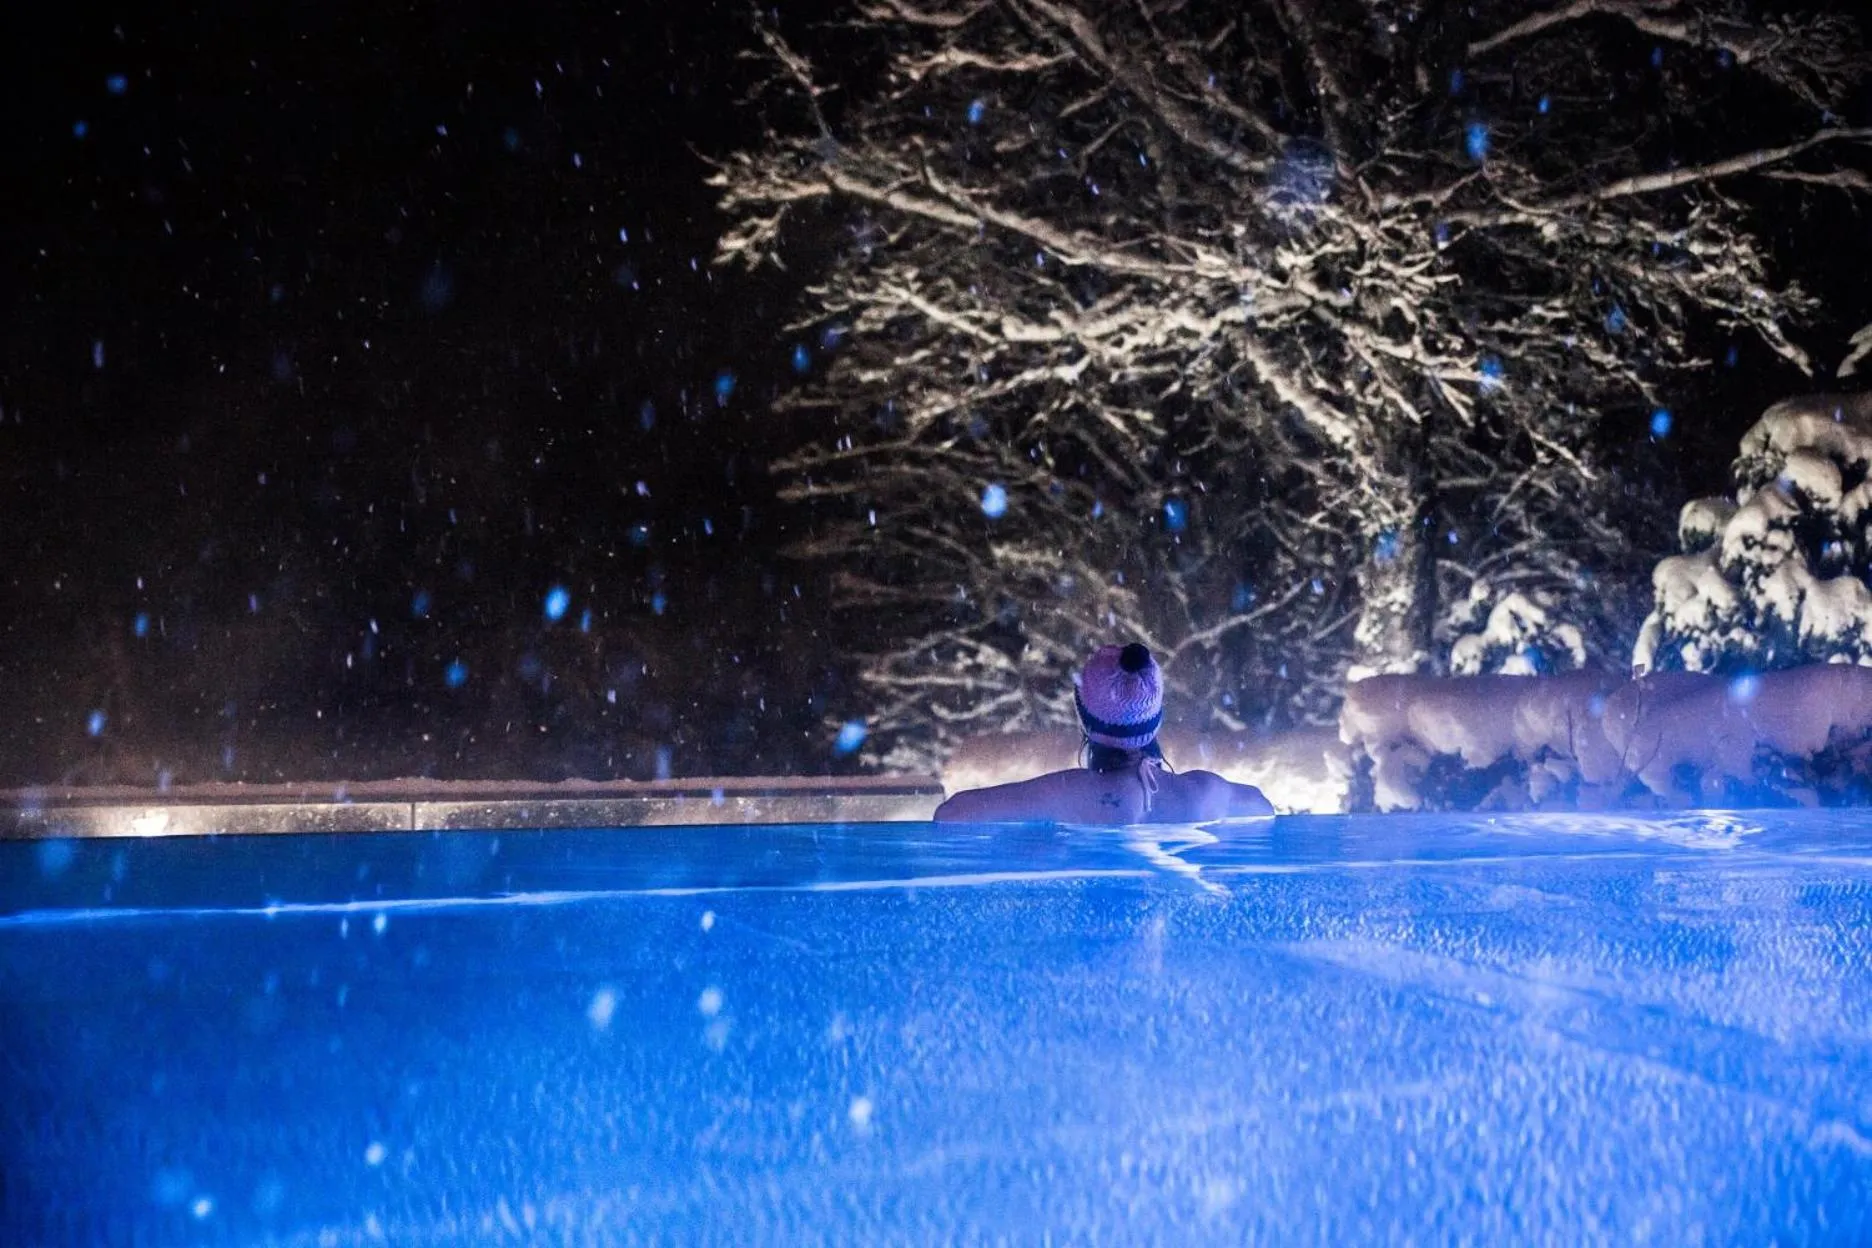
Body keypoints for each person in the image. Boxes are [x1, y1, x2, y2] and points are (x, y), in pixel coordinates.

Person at [933, 642, 1275, 825]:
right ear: (1156, 719)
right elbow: (1263, 807)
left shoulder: (1066, 793)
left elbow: (951, 814)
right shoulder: (1204, 793)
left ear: (1085, 719)